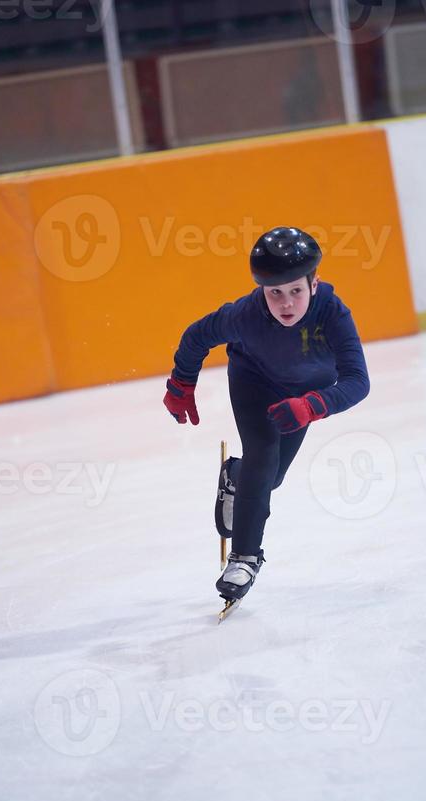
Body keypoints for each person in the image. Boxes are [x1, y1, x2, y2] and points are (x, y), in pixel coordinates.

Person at [163, 226, 370, 602]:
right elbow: (197, 336)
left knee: (269, 478)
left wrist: (311, 406)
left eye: (295, 290)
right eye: (275, 293)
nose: (286, 303)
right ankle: (244, 559)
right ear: (261, 289)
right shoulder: (246, 315)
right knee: (263, 453)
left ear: (314, 283)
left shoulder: (334, 315)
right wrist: (181, 384)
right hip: (254, 382)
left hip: (302, 397)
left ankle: (235, 477)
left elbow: (359, 381)